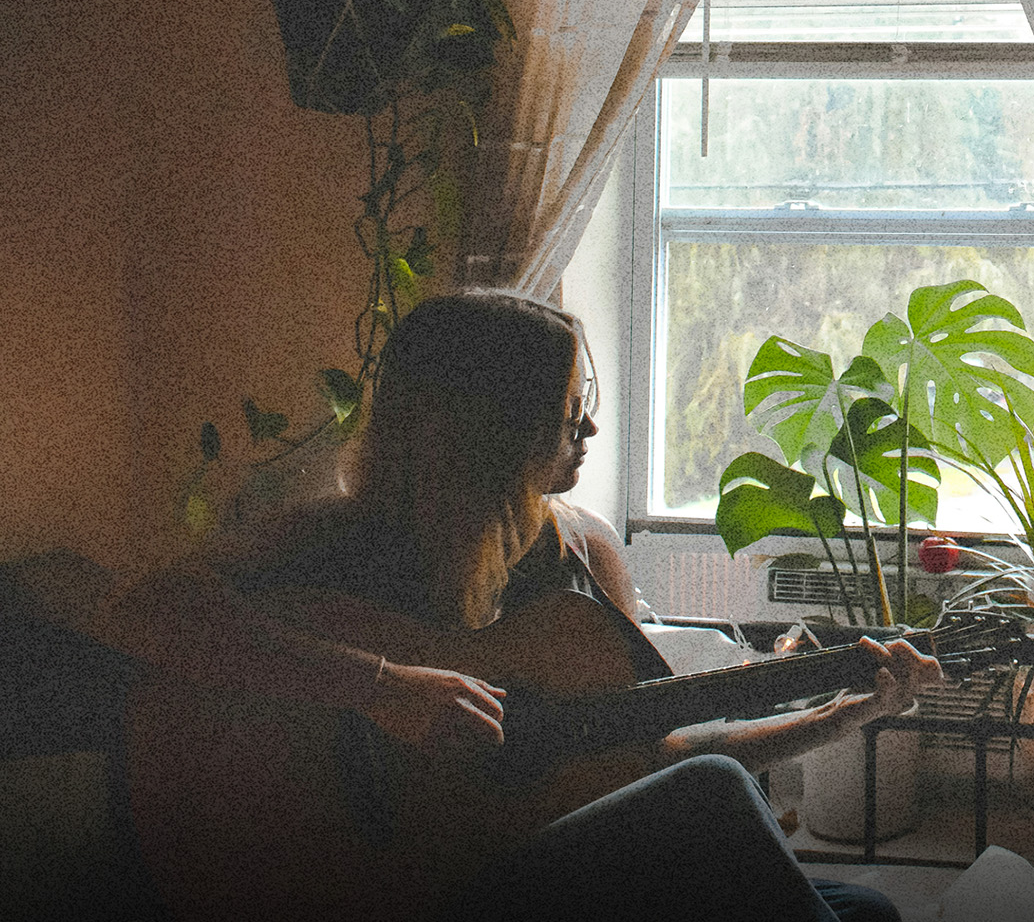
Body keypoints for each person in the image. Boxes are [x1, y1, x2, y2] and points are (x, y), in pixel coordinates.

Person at [106, 290, 942, 922]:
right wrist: (379, 685)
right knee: (722, 799)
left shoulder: (582, 549)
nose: (589, 428)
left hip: (541, 859)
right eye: (566, 407)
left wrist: (844, 714)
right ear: (484, 429)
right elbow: (149, 610)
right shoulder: (335, 539)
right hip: (400, 882)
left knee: (870, 911)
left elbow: (655, 748)